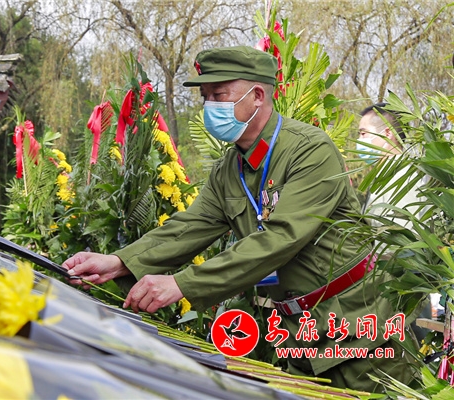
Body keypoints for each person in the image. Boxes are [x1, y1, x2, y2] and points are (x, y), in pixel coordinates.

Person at [63, 46, 418, 392]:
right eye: (205, 97)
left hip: (359, 327)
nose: (209, 106)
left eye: (219, 95)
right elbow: (189, 227)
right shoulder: (229, 169)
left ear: (258, 95)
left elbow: (281, 238)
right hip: (300, 333)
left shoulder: (310, 150)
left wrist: (181, 284)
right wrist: (118, 262)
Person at [357, 103, 433, 341]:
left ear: (387, 132)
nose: (359, 141)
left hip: (404, 296)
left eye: (363, 133)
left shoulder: (406, 177)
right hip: (385, 293)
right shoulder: (384, 176)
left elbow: (407, 247)